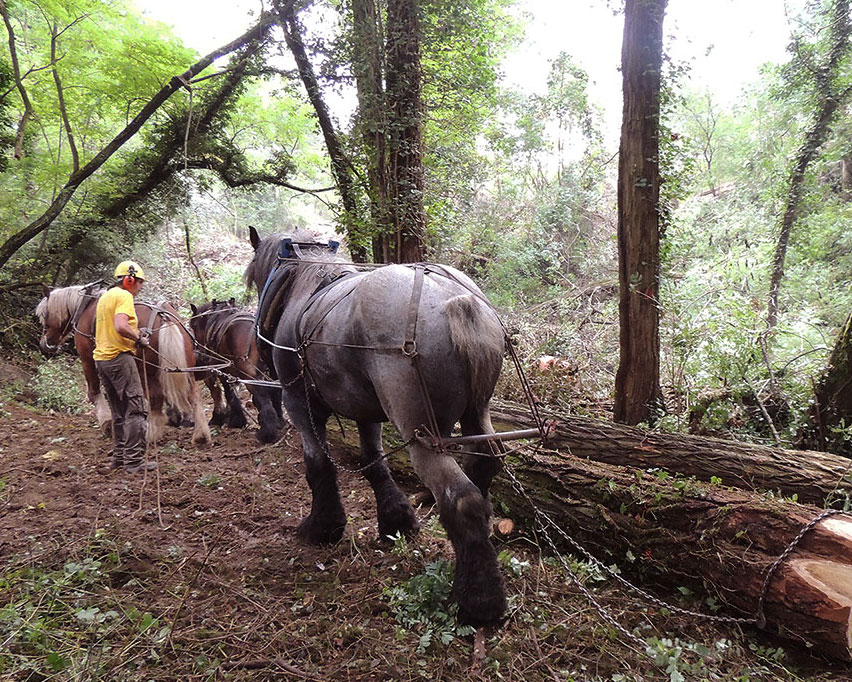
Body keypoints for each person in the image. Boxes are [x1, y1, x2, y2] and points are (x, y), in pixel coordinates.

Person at [93, 260, 156, 473]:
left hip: (102, 360)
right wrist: (138, 337)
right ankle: (135, 461)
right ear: (129, 280)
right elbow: (121, 325)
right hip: (119, 358)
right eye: (139, 282)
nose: (141, 286)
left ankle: (119, 458)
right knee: (137, 409)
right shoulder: (124, 296)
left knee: (118, 411)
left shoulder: (105, 297)